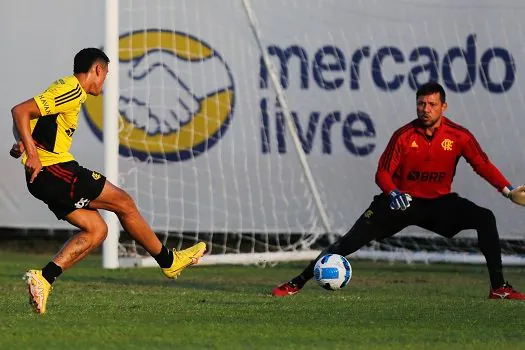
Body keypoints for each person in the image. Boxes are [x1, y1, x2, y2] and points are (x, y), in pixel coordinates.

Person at [272, 81, 525, 300]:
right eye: (421, 104)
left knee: (485, 218)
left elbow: (482, 164)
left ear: (443, 107)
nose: (426, 109)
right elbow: (382, 173)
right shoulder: (403, 136)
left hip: (438, 204)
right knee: (348, 242)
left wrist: (508, 190)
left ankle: (499, 288)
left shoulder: (459, 136)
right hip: (399, 202)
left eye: (432, 105)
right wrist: (393, 193)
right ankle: (297, 282)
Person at [10, 48, 206, 314]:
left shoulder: (63, 88)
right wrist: (32, 153)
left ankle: (44, 278)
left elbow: (33, 116)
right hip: (53, 171)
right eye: (106, 75)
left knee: (97, 230)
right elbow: (20, 110)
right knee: (124, 202)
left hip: (46, 177)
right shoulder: (72, 90)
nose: (104, 82)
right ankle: (168, 260)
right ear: (98, 70)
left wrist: (23, 142)